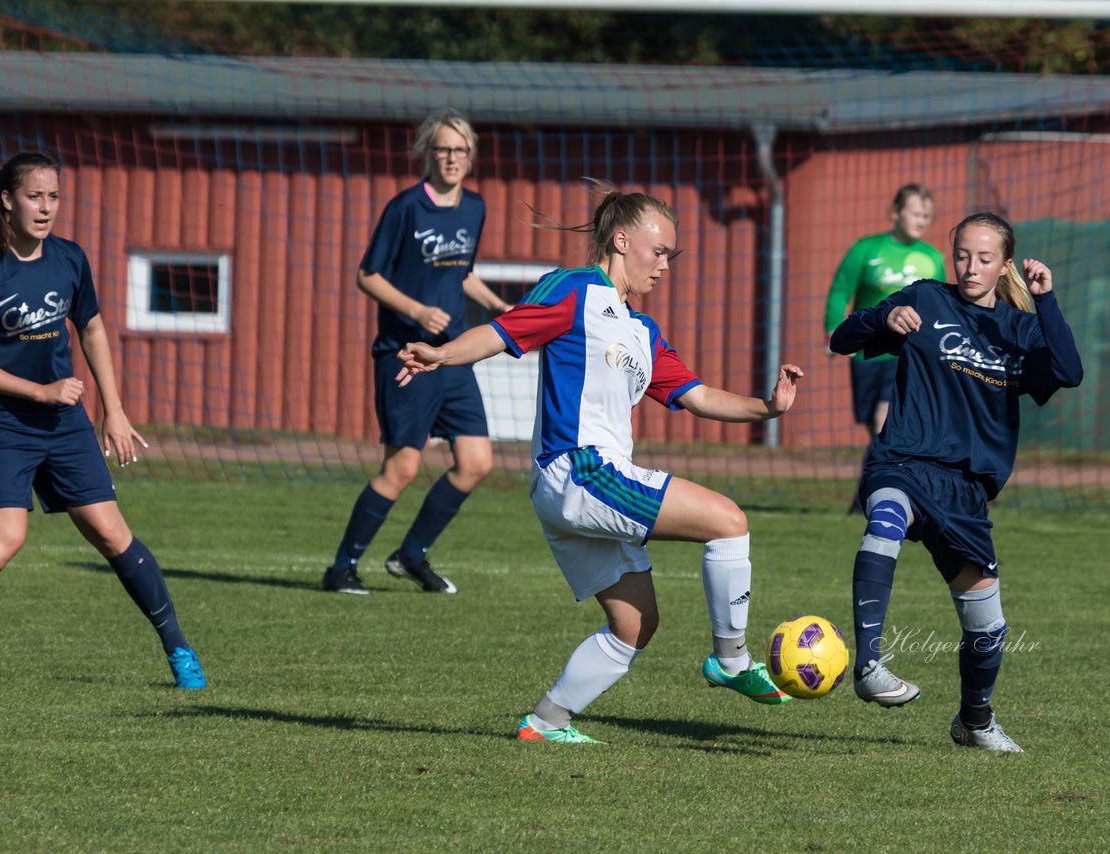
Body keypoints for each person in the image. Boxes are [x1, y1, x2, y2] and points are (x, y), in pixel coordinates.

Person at [396, 182, 804, 744]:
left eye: (670, 257)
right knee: (729, 521)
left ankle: (545, 723)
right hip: (579, 471)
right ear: (620, 239)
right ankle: (731, 661)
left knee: (635, 624)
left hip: (576, 488)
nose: (664, 266)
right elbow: (501, 333)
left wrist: (767, 408)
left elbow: (698, 396)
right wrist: (441, 354)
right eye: (658, 252)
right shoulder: (575, 290)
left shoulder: (641, 330)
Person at [829, 211, 1082, 752]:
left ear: (1005, 265)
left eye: (985, 259)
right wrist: (885, 318)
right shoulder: (924, 298)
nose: (970, 267)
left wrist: (1047, 300)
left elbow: (1067, 371)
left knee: (987, 627)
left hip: (965, 489)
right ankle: (870, 663)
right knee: (886, 518)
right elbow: (841, 338)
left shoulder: (1020, 328)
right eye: (962, 255)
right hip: (902, 459)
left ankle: (974, 721)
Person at [0, 151, 205, 689]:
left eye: (53, 196)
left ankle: (180, 651)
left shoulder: (69, 258)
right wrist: (39, 390)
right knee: (6, 538)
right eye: (34, 196)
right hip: (4, 425)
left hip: (64, 423)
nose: (45, 208)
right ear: (7, 201)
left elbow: (91, 330)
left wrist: (114, 409)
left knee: (112, 534)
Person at [321, 107, 511, 596]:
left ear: (470, 157)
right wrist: (418, 310)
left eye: (459, 150)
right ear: (428, 153)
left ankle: (412, 555)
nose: (451, 157)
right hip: (404, 354)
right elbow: (368, 275)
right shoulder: (405, 207)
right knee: (403, 466)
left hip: (450, 356)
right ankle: (341, 568)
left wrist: (501, 308)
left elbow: (462, 272)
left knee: (476, 462)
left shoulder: (475, 207)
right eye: (443, 149)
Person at [824, 184, 944, 436]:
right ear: (895, 212)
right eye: (915, 213)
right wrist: (833, 330)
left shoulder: (934, 258)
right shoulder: (866, 248)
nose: (921, 221)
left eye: (926, 216)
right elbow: (840, 290)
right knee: (874, 427)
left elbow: (940, 307)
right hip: (867, 351)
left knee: (885, 419)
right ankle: (878, 472)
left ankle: (890, 471)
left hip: (907, 351)